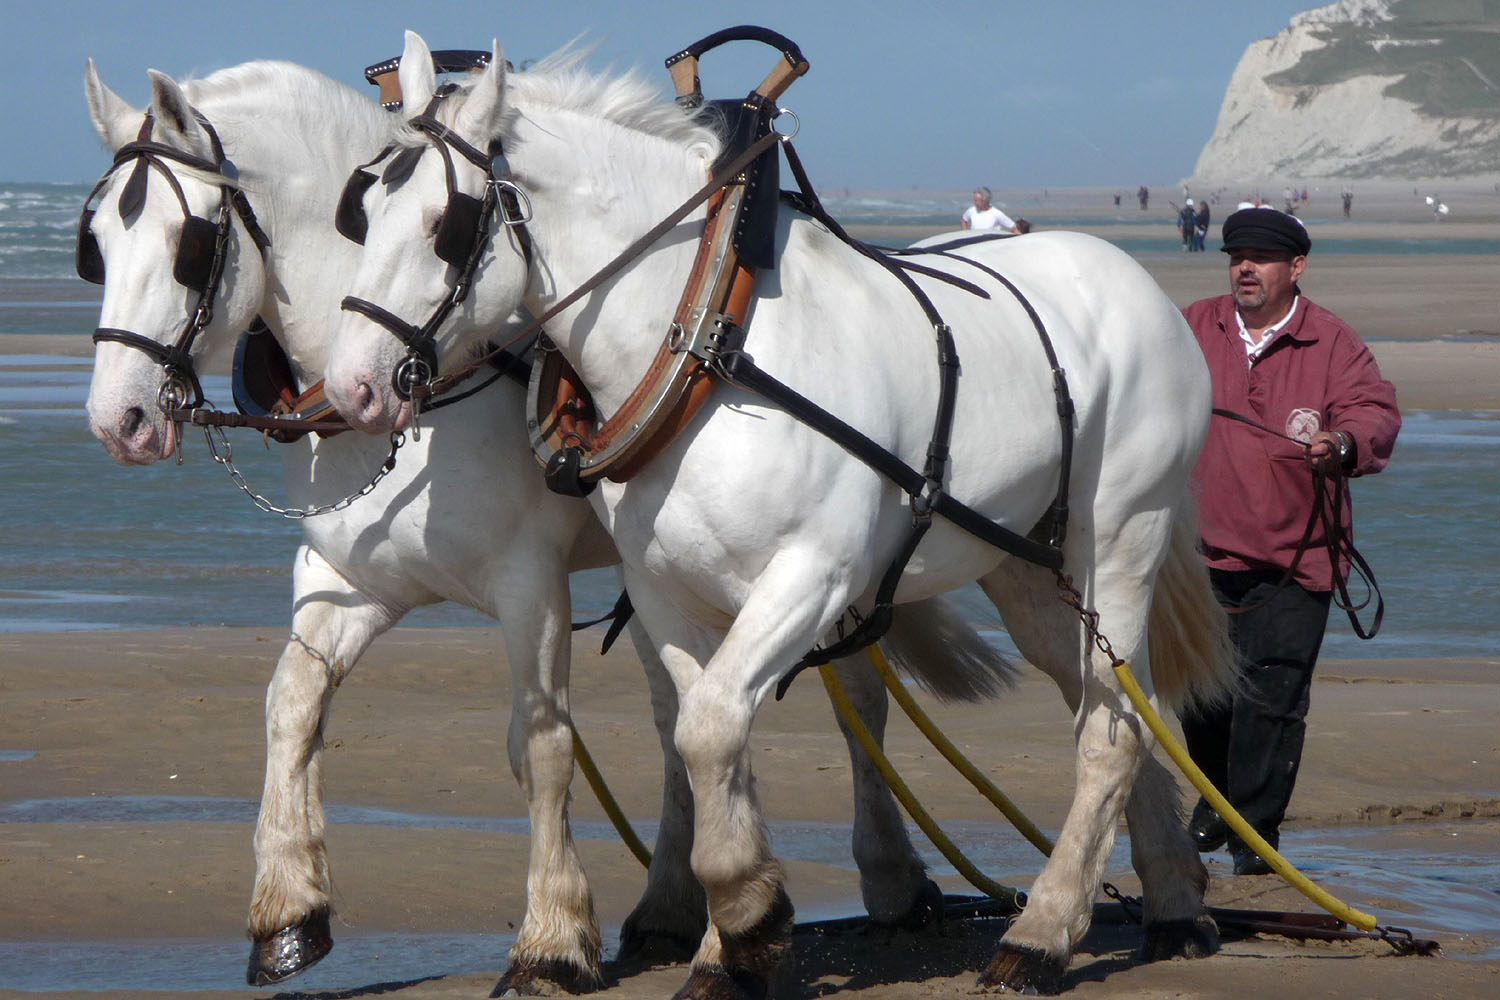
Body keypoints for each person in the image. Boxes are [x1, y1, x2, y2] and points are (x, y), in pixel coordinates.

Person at [1179, 207, 1400, 876]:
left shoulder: (1330, 341)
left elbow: (1375, 410)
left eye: (1261, 257)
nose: (1245, 266)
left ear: (1295, 267)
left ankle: (1254, 839)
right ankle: (1219, 801)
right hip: (1197, 555)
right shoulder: (1193, 325)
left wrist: (1344, 441)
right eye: (1236, 255)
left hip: (1295, 558)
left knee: (1270, 702)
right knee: (1201, 699)